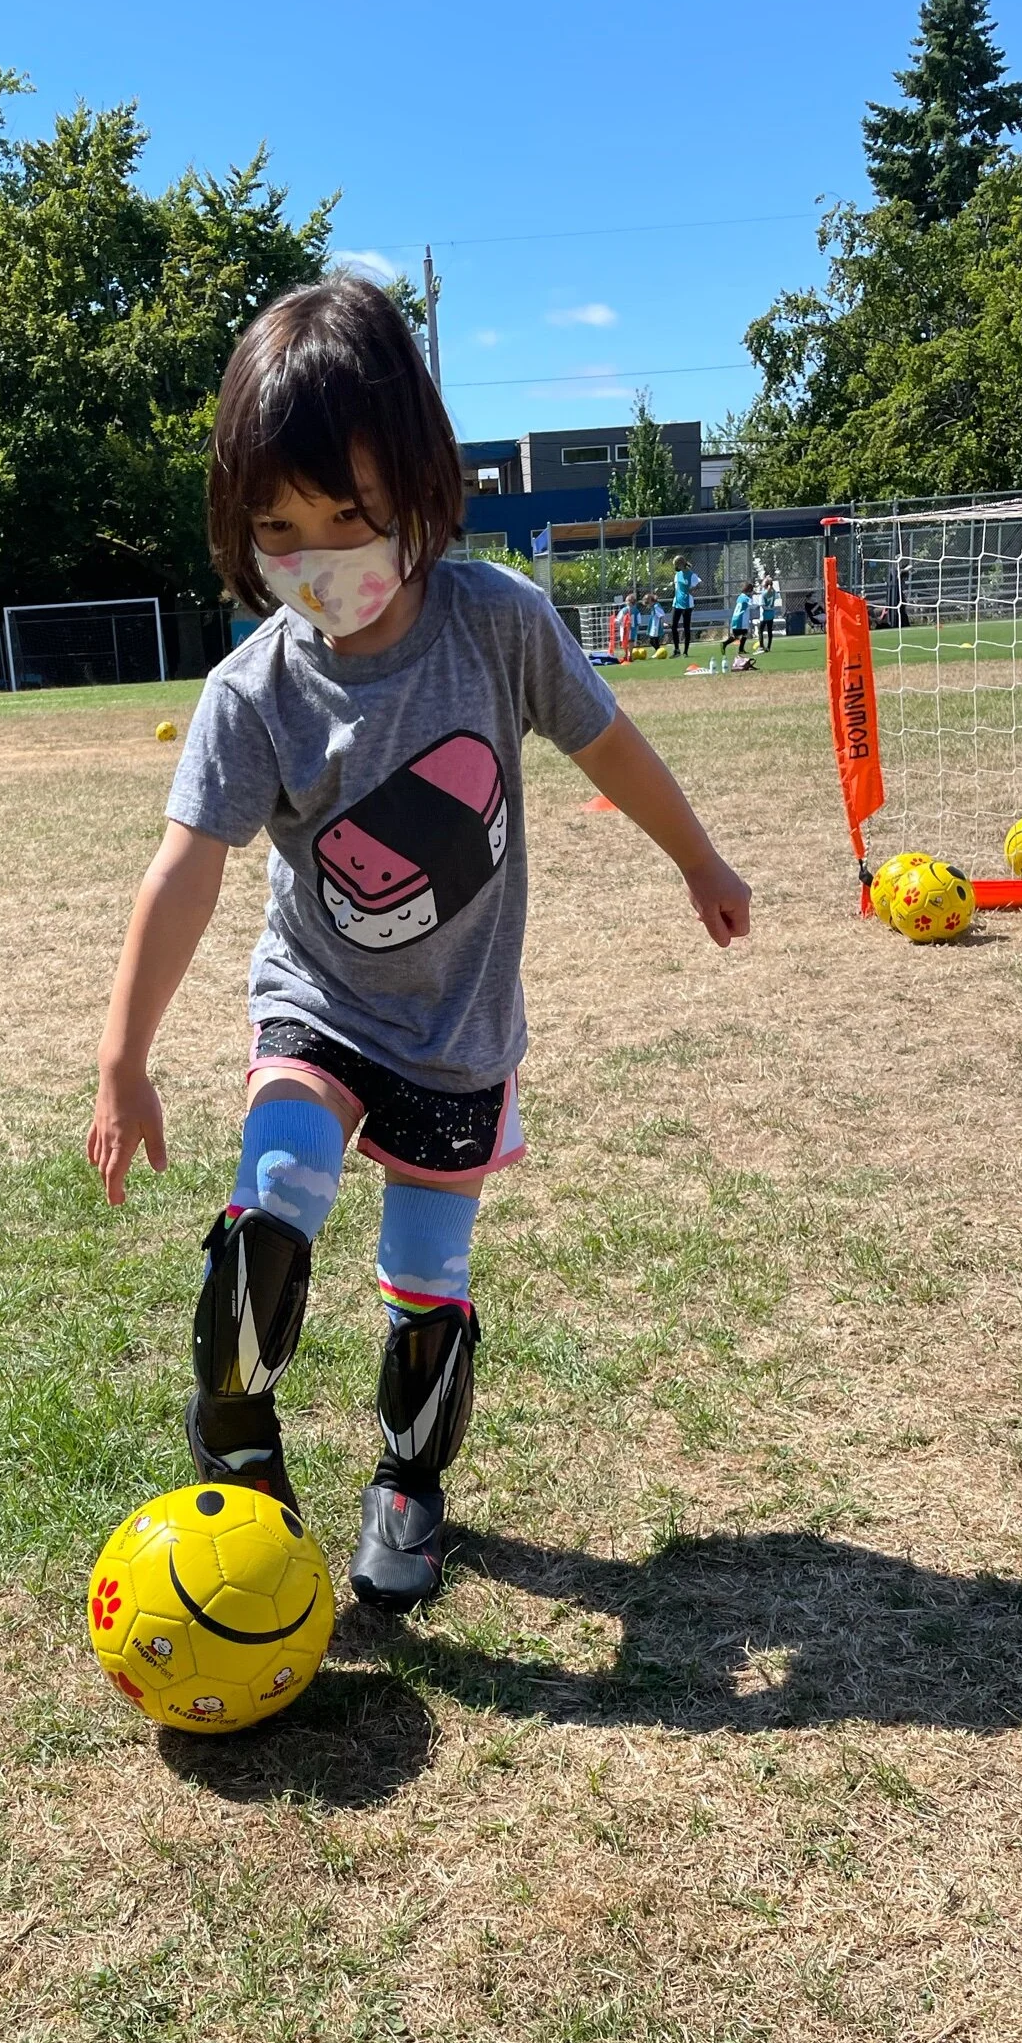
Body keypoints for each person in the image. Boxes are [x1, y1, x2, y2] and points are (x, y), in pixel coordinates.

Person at [88, 277, 752, 1612]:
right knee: (273, 1198)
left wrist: (697, 856)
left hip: (456, 1033)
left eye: (349, 517)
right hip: (318, 1003)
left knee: (425, 1280)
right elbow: (186, 871)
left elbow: (605, 743)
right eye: (278, 529)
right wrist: (123, 1056)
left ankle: (406, 1483)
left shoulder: (496, 623)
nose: (317, 555)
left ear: (420, 487)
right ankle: (230, 1435)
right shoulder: (250, 693)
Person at [717, 579, 757, 671]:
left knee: (743, 634)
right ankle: (724, 644)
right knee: (737, 636)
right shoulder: (746, 598)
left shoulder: (740, 597)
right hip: (740, 619)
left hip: (736, 618)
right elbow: (753, 605)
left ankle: (741, 649)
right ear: (749, 591)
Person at [669, 558, 701, 657]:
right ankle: (676, 650)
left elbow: (700, 584)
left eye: (677, 565)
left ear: (682, 563)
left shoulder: (692, 575)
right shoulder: (677, 575)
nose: (676, 567)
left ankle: (685, 652)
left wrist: (693, 589)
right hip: (677, 603)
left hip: (687, 604)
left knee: (686, 627)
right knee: (674, 626)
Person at [759, 570, 781, 652]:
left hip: (764, 615)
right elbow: (776, 596)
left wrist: (768, 608)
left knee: (760, 631)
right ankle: (768, 647)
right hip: (771, 614)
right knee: (769, 631)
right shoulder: (774, 593)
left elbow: (763, 606)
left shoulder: (763, 594)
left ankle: (761, 646)